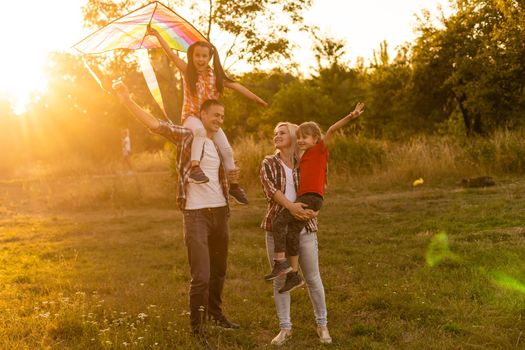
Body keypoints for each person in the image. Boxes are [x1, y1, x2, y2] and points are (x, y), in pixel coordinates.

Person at [113, 81, 239, 349]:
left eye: (222, 117)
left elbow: (223, 174)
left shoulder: (218, 142)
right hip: (195, 216)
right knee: (202, 275)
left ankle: (216, 314)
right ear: (201, 115)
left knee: (219, 271)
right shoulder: (187, 135)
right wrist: (126, 99)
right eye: (215, 115)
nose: (219, 120)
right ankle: (198, 327)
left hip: (220, 212)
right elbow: (156, 124)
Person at [147, 26, 267, 205]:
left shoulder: (216, 76)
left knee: (227, 150)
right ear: (192, 56)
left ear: (209, 57)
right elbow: (171, 56)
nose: (200, 59)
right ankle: (195, 168)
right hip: (192, 117)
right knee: (200, 133)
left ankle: (234, 186)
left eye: (204, 56)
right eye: (197, 55)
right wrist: (157, 36)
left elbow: (237, 86)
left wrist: (256, 99)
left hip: (209, 121)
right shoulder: (188, 72)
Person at [264, 103, 365, 295]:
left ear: (316, 138)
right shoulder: (302, 157)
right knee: (292, 233)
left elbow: (333, 129)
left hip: (311, 197)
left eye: (305, 137)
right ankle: (293, 274)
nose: (301, 140)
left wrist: (351, 115)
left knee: (279, 222)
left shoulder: (320, 149)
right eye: (299, 137)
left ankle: (280, 263)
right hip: (307, 197)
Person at [259, 122, 330, 346]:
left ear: (292, 135)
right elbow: (271, 190)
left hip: (304, 227)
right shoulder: (269, 163)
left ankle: (322, 324)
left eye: (282, 132)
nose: (276, 136)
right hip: (277, 227)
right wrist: (291, 207)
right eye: (274, 133)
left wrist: (312, 211)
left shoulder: (306, 160)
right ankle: (285, 328)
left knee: (312, 277)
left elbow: (320, 185)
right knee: (280, 278)